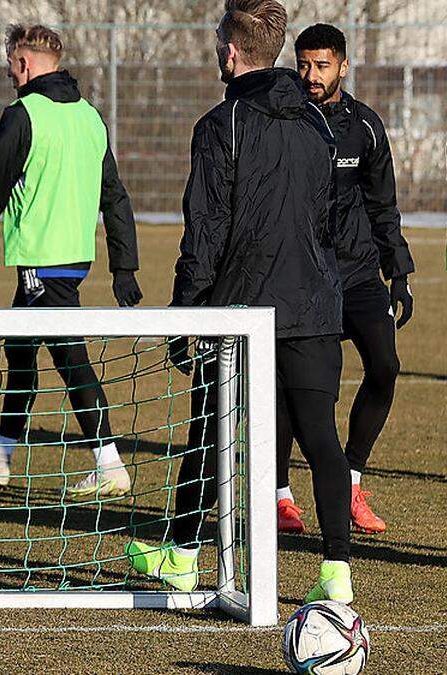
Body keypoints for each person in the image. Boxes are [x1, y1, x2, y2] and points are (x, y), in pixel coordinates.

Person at [126, 0, 355, 604]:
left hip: (238, 312)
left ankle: (182, 557)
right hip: (311, 306)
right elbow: (330, 219)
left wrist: (186, 314)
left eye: (217, 45)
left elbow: (204, 233)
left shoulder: (219, 125)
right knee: (320, 437)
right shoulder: (320, 123)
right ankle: (336, 576)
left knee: (210, 433)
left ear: (231, 52)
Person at [0, 23, 142, 499]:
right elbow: (115, 195)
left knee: (68, 356)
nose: (8, 72)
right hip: (72, 257)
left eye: (11, 63)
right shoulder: (89, 117)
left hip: (43, 259)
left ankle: (109, 463)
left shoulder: (24, 113)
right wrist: (124, 265)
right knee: (19, 352)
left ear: (24, 63)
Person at [273, 23, 415, 535]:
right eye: (304, 64)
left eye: (322, 65)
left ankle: (351, 478)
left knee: (385, 365)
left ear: (343, 66)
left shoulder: (366, 126)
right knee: (297, 386)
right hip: (302, 277)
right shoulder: (282, 118)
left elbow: (383, 205)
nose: (311, 75)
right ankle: (281, 496)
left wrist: (398, 272)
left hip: (356, 274)